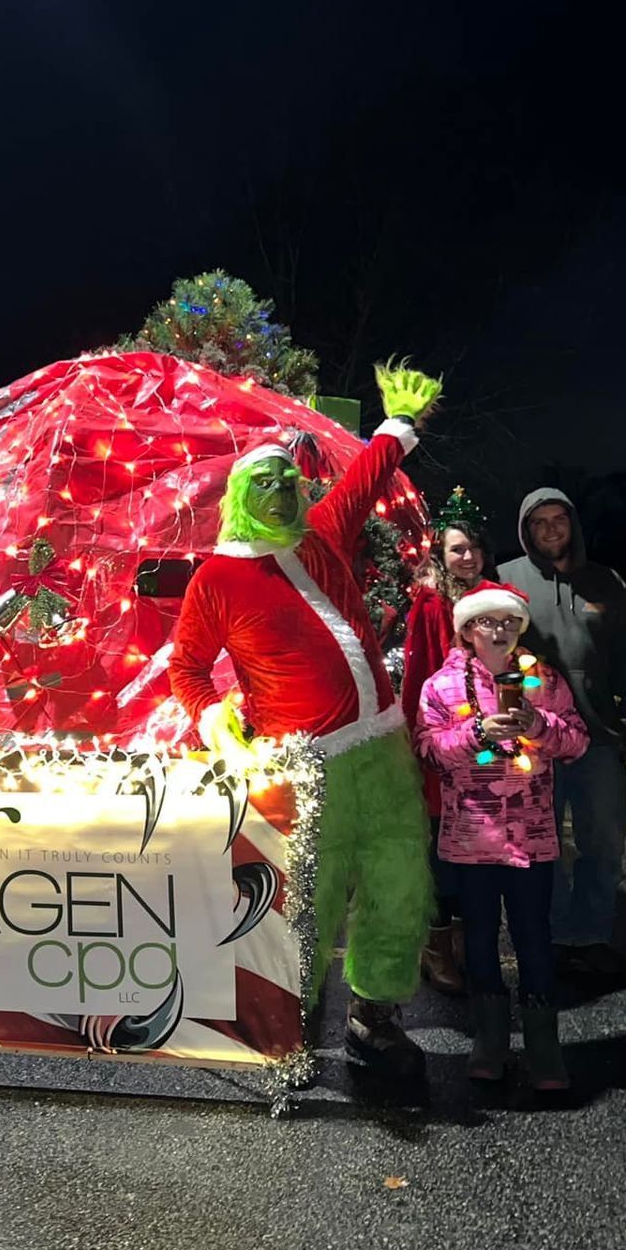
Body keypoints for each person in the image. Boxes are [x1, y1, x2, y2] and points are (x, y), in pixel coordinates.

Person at [170, 363, 444, 1082]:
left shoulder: (322, 532)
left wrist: (402, 425)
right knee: (306, 905)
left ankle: (373, 1019)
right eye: (265, 484)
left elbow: (364, 478)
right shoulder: (217, 580)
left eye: (288, 481)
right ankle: (286, 1029)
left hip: (382, 751)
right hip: (306, 767)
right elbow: (186, 669)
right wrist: (212, 720)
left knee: (398, 882)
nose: (282, 491)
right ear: (239, 497)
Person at [416, 582, 588, 1088]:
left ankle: (543, 1045)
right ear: (468, 630)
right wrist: (475, 735)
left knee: (535, 939)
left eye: (509, 623)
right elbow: (427, 751)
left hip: (531, 838)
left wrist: (537, 724)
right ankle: (489, 1039)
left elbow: (577, 742)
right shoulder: (442, 687)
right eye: (488, 622)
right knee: (482, 941)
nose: (500, 631)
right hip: (471, 840)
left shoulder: (544, 680)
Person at [498, 489, 626, 979]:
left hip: (598, 737)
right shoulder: (505, 581)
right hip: (533, 743)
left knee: (603, 842)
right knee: (540, 848)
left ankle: (590, 935)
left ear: (573, 524)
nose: (549, 531)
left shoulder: (605, 582)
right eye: (538, 523)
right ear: (525, 529)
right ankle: (553, 935)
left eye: (558, 520)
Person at [400, 485, 491, 994]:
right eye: (457, 548)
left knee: (475, 848)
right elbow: (417, 682)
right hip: (444, 745)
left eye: (474, 547)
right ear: (441, 553)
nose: (467, 556)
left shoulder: (496, 600)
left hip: (486, 748)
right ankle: (436, 947)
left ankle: (462, 942)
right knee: (441, 854)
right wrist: (423, 744)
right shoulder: (431, 606)